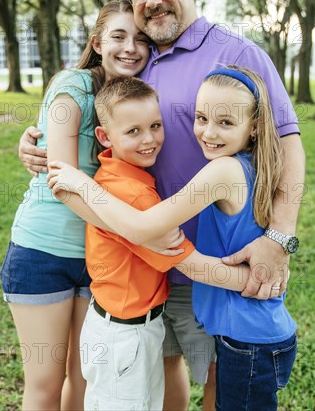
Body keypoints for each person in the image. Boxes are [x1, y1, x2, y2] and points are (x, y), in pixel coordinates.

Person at [19, 0, 305, 410]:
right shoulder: (138, 58)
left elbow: (288, 141)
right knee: (160, 365)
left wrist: (280, 236)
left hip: (211, 257)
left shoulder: (235, 51)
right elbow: (89, 117)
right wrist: (38, 142)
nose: (151, 0)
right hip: (144, 264)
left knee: (219, 373)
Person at [47, 66, 297, 410]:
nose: (208, 132)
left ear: (253, 127)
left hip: (248, 335)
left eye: (225, 122)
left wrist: (81, 182)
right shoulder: (254, 164)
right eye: (201, 117)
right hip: (258, 331)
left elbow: (143, 226)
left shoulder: (222, 170)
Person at [0, 0, 172, 411]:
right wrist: (137, 229)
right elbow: (61, 180)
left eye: (141, 39)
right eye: (118, 36)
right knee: (45, 383)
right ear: (97, 43)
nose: (131, 47)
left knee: (82, 380)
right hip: (43, 253)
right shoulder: (72, 85)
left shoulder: (132, 97)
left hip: (97, 259)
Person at [77, 75, 253, 410]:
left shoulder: (120, 174)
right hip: (124, 337)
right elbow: (191, 264)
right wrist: (255, 281)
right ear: (104, 136)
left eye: (155, 126)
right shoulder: (132, 194)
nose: (149, 139)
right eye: (133, 131)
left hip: (135, 327)